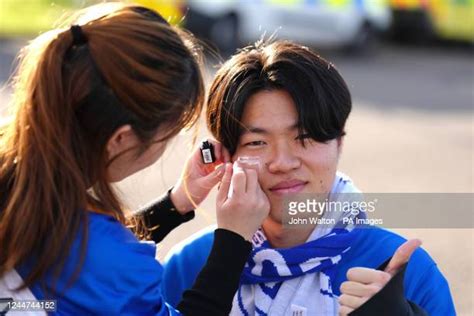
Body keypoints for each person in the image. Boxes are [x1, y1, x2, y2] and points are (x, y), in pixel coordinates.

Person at [0, 3, 270, 315]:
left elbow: (85, 267)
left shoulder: (20, 185)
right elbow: (99, 265)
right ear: (121, 139)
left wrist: (178, 202)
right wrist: (234, 239)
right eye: (167, 136)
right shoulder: (108, 262)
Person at [161, 41, 456, 315]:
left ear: (339, 142)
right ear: (227, 157)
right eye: (257, 142)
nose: (283, 163)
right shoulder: (192, 264)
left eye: (305, 136)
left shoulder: (401, 271)